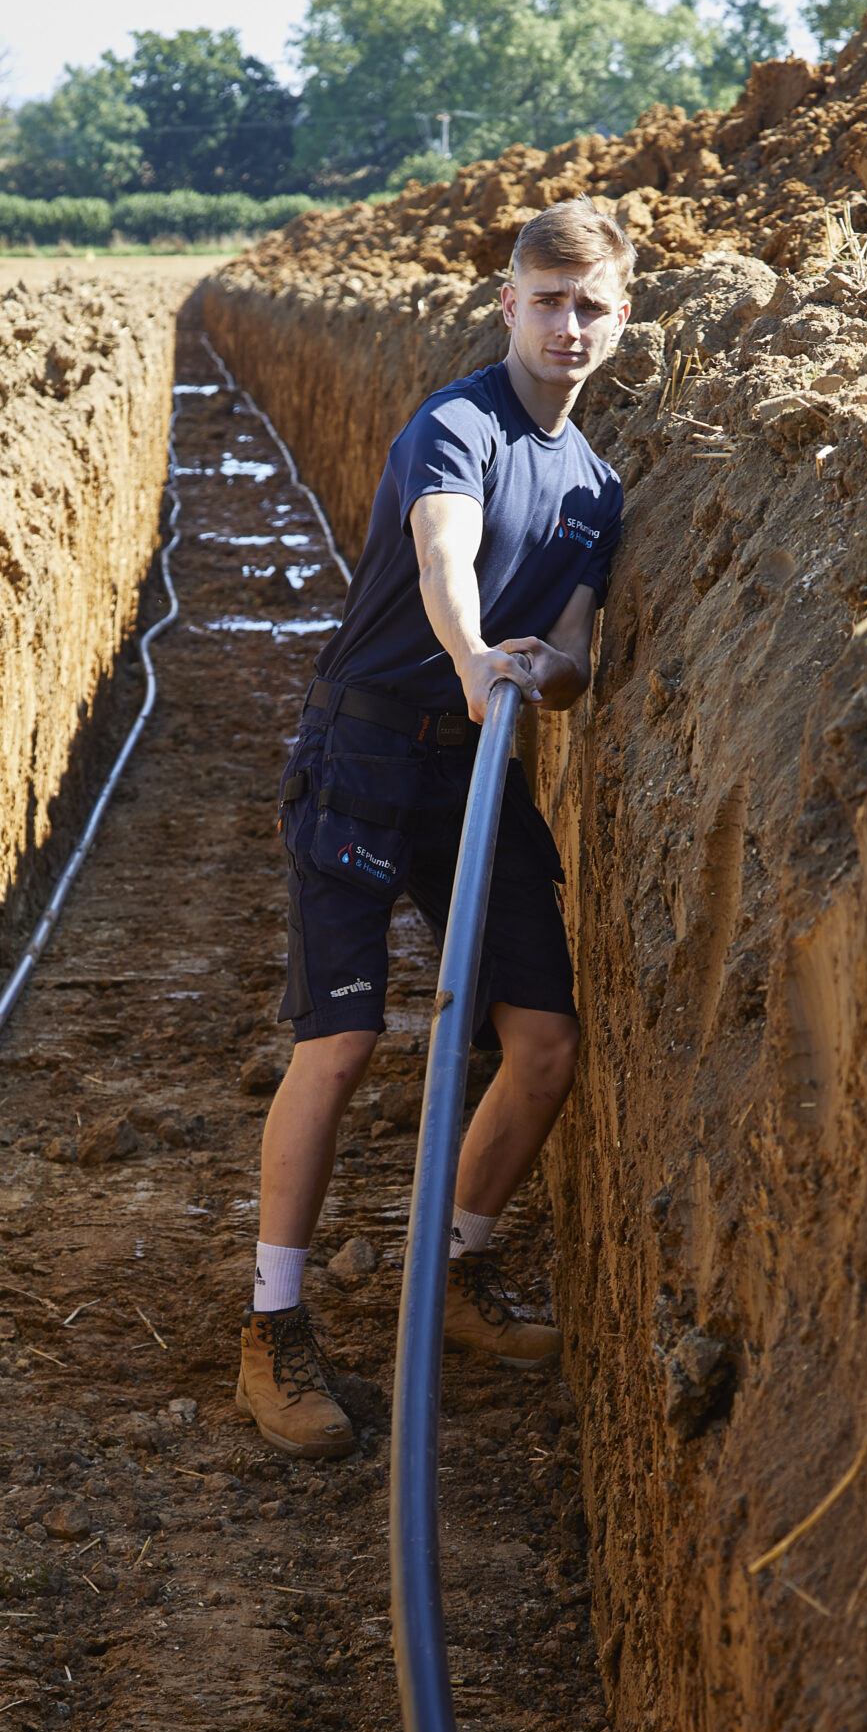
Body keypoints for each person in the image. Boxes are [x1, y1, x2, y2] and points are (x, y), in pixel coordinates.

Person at [236, 196, 633, 1458]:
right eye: (549, 300)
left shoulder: (597, 488)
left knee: (547, 1043)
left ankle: (454, 1269)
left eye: (593, 306)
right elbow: (440, 547)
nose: (569, 325)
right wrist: (468, 649)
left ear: (621, 321)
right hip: (364, 750)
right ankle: (274, 1327)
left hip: (479, 758)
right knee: (342, 1046)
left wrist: (532, 675)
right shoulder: (455, 424)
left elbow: (572, 651)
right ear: (509, 304)